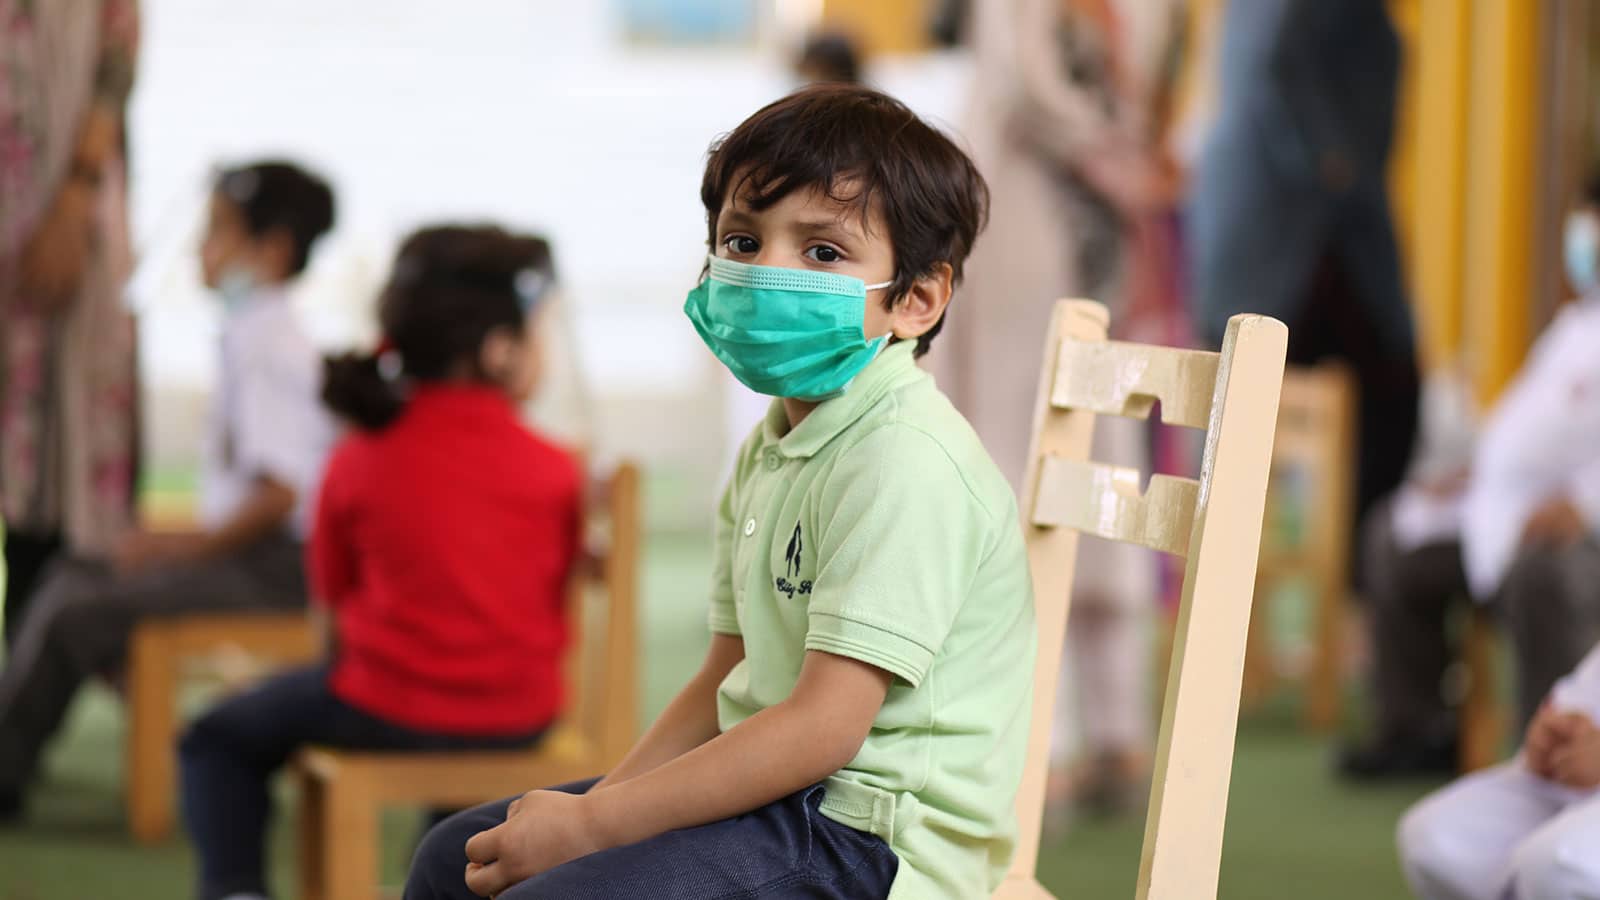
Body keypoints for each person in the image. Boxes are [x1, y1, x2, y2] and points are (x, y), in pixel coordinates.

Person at [405, 84, 1033, 900]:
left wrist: (595, 831)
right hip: (776, 801)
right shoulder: (777, 444)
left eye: (823, 253)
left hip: (870, 841)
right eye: (741, 239)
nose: (765, 269)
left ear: (916, 299)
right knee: (455, 858)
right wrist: (602, 809)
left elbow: (821, 730)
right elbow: (722, 680)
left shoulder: (903, 461)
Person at [179, 225, 581, 900]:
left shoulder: (355, 458)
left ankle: (235, 889)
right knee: (452, 743)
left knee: (215, 738)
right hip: (522, 711)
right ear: (498, 349)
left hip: (384, 704)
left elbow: (330, 622)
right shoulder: (556, 468)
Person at [0, 160, 335, 818]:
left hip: (276, 572)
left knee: (77, 610)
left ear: (273, 251)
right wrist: (170, 542)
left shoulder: (271, 344)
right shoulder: (256, 332)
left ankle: (6, 770)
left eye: (218, 232)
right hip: (254, 558)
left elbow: (279, 496)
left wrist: (177, 551)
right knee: (76, 573)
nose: (200, 249)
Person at [940, 0, 1181, 814]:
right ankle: (1045, 736)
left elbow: (1157, 85)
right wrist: (1107, 151)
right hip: (1024, 213)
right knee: (1021, 455)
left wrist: (1139, 167)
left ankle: (1118, 727)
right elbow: (1024, 85)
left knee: (1111, 452)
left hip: (1110, 227)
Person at [1340, 179, 1600, 778]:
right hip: (1502, 510)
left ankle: (1551, 758)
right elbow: (1522, 430)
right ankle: (1417, 732)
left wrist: (1586, 504)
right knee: (1395, 536)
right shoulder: (1574, 326)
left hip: (1573, 527)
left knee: (1547, 573)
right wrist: (1473, 474)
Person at [1188, 0, 1419, 539]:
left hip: (1278, 245)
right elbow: (1279, 66)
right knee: (1389, 397)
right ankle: (1350, 578)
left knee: (1237, 424)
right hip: (1295, 242)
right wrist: (1334, 163)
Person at [1, 0, 142, 646]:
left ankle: (18, 712)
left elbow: (115, 57)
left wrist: (75, 198)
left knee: (47, 483)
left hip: (50, 216)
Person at [1397, 642, 1600, 899]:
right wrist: (1557, 735)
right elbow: (1585, 693)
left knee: (1559, 865)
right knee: (1434, 839)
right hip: (1571, 784)